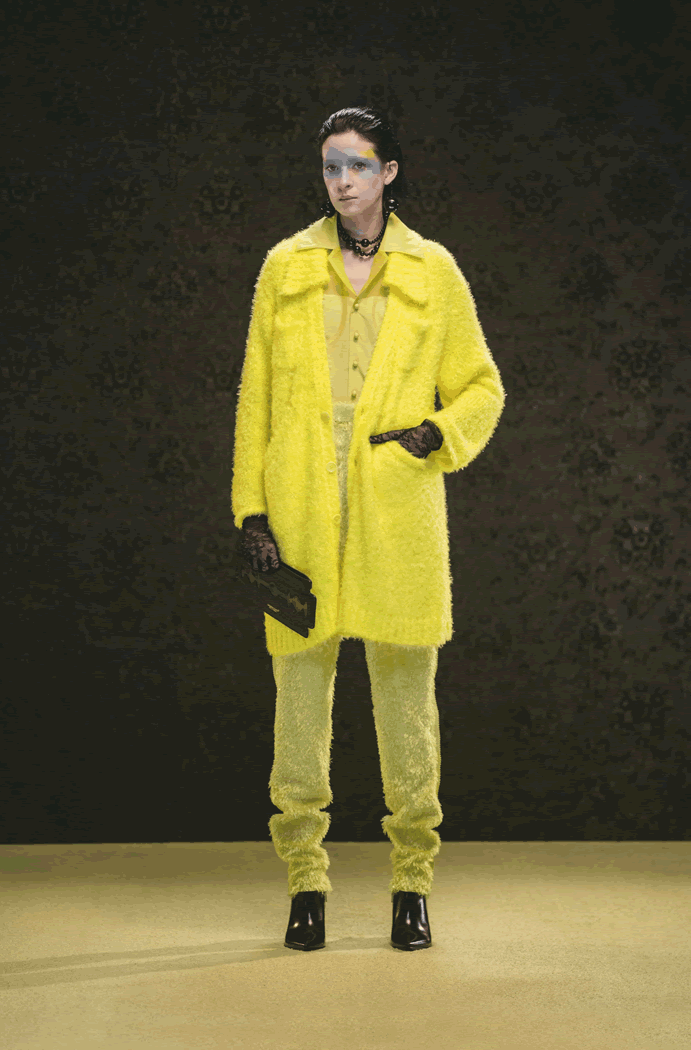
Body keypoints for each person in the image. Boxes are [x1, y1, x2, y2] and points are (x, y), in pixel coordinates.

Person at [232, 106, 506, 951]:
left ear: (389, 172)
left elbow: (481, 385)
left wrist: (436, 435)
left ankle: (411, 883)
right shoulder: (285, 266)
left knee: (406, 701)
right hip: (301, 499)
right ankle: (305, 882)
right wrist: (250, 510)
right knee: (299, 702)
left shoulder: (433, 269)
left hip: (396, 502)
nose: (342, 179)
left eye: (357, 164)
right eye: (330, 165)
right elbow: (255, 396)